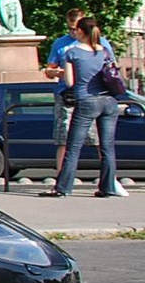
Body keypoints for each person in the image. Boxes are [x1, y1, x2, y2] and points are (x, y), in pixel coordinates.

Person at [50, 16, 127, 197]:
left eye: (76, 29)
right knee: (107, 147)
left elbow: (69, 82)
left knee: (73, 147)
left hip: (86, 101)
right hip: (109, 102)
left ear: (81, 32)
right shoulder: (105, 51)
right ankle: (107, 187)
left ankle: (63, 188)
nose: (74, 32)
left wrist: (60, 73)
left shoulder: (73, 52)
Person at [44, 8, 104, 180]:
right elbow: (50, 70)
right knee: (64, 139)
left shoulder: (100, 44)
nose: (73, 32)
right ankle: (62, 178)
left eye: (76, 28)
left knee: (99, 139)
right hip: (68, 95)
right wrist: (55, 73)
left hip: (92, 94)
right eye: (70, 28)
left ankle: (108, 179)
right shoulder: (61, 44)